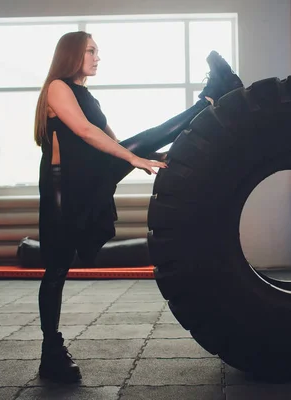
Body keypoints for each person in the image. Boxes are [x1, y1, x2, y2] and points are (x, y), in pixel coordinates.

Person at [33, 31, 243, 383]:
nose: (97, 57)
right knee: (55, 272)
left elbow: (112, 141)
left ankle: (209, 99)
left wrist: (143, 156)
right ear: (71, 55)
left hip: (89, 176)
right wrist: (132, 156)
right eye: (91, 51)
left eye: (97, 51)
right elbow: (85, 132)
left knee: (148, 135)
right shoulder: (57, 87)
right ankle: (50, 350)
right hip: (63, 186)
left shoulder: (86, 95)